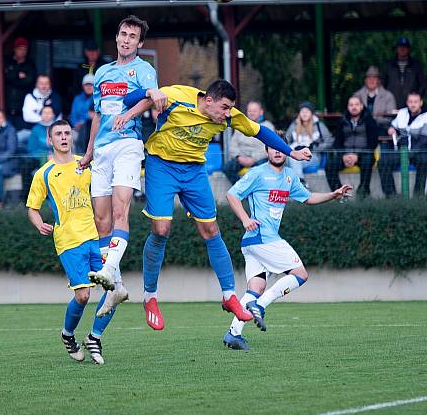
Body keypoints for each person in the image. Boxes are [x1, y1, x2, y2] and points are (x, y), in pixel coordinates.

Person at [125, 81, 312, 330]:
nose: (227, 114)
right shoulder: (176, 96)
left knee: (211, 231)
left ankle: (229, 296)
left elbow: (259, 132)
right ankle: (150, 297)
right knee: (161, 230)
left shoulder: (228, 115)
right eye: (224, 108)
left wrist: (291, 152)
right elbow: (128, 100)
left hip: (193, 171)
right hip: (162, 165)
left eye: (230, 109)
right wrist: (150, 92)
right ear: (209, 100)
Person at [223, 145, 352, 350]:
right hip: (262, 237)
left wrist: (333, 194)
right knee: (301, 274)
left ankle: (234, 334)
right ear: (266, 151)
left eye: (281, 149)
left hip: (254, 243)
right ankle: (259, 306)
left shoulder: (290, 176)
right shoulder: (257, 173)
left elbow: (308, 197)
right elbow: (232, 195)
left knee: (255, 288)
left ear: (286, 152)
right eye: (272, 148)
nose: (277, 152)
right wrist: (245, 218)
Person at [79, 15, 162, 316]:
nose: (126, 39)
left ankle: (109, 268)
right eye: (123, 34)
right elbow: (97, 116)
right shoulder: (102, 73)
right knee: (100, 220)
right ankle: (118, 286)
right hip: (101, 150)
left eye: (132, 36)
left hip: (128, 144)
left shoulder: (144, 70)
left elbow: (152, 100)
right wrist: (88, 152)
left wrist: (128, 116)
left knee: (119, 211)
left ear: (140, 44)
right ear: (116, 38)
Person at [27, 119, 121, 365]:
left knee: (114, 290)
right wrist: (39, 224)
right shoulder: (44, 173)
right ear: (50, 140)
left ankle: (95, 337)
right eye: (58, 134)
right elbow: (32, 208)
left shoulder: (86, 164)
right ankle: (68, 335)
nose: (63, 137)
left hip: (96, 237)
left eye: (67, 133)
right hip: (68, 241)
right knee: (83, 296)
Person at [325, 96, 379, 197]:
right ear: (348, 107)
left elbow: (373, 143)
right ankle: (339, 194)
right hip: (345, 155)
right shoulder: (342, 121)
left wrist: (357, 155)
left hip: (364, 154)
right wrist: (343, 156)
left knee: (368, 161)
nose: (354, 107)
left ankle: (363, 192)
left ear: (362, 106)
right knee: (330, 164)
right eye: (351, 105)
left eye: (356, 104)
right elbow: (337, 143)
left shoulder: (370, 120)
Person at [378, 92, 427, 197]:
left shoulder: (426, 116)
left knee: (424, 162)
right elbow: (394, 125)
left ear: (421, 103)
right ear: (407, 103)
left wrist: (409, 154)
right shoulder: (402, 113)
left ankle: (419, 196)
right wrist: (391, 128)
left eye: (415, 102)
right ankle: (391, 196)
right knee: (383, 162)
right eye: (410, 102)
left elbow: (424, 140)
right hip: (401, 150)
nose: (413, 104)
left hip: (419, 151)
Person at [222, 100, 274, 184]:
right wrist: (239, 157)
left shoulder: (268, 126)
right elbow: (233, 144)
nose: (251, 113)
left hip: (259, 159)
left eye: (254, 111)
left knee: (259, 169)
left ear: (261, 112)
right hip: (241, 157)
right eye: (249, 111)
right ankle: (241, 189)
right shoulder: (241, 124)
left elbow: (270, 147)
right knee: (227, 168)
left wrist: (253, 159)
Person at [284, 101, 333, 184]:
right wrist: (292, 148)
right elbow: (285, 140)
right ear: (299, 113)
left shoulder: (319, 125)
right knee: (293, 159)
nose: (304, 114)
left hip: (312, 156)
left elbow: (329, 141)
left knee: (294, 160)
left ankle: (299, 183)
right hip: (296, 155)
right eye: (302, 111)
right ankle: (301, 182)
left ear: (311, 113)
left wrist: (315, 147)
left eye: (307, 111)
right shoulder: (294, 125)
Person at [381, 37, 426, 109]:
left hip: (411, 106)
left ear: (408, 49)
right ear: (396, 49)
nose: (402, 49)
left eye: (405, 47)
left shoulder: (416, 66)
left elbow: (422, 85)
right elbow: (382, 85)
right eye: (400, 47)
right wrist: (386, 100)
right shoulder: (389, 66)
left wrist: (415, 100)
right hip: (391, 104)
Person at [4, 37, 36, 130]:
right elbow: (6, 77)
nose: (23, 52)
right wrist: (18, 75)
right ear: (15, 49)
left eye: (25, 49)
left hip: (22, 110)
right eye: (20, 49)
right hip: (8, 109)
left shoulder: (30, 64)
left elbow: (28, 81)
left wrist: (13, 78)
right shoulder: (8, 61)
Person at [70, 74, 95, 154]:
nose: (88, 87)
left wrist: (84, 119)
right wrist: (76, 124)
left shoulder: (98, 98)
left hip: (92, 129)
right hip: (77, 128)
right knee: (69, 138)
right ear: (83, 86)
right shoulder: (77, 99)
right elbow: (73, 115)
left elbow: (95, 115)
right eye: (86, 85)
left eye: (91, 85)